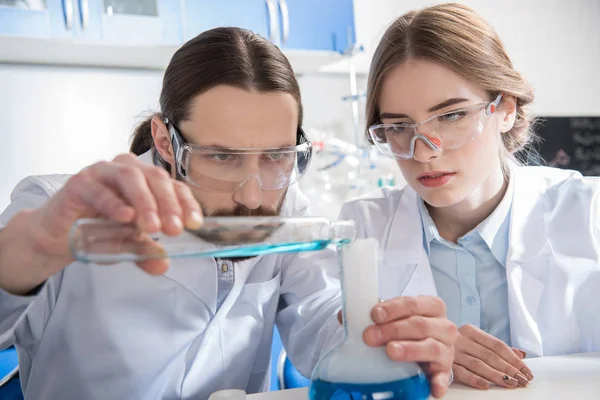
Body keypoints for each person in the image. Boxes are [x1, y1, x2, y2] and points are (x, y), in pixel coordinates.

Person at [0, 27, 456, 399]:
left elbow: (319, 315)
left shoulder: (287, 208)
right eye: (222, 157)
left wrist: (378, 335)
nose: (254, 196)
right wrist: (30, 251)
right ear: (165, 141)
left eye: (276, 155)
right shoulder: (55, 209)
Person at [340, 1, 600, 391]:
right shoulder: (360, 229)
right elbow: (320, 341)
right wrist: (401, 346)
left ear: (506, 108)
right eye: (398, 126)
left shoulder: (589, 213)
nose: (424, 151)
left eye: (451, 115)